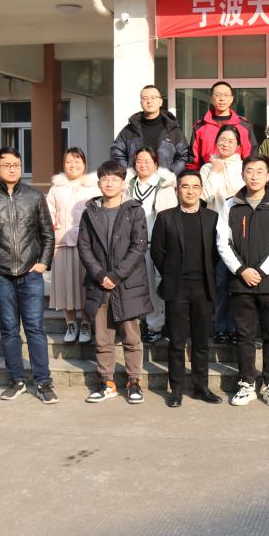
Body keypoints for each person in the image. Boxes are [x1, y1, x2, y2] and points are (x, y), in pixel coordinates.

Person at [0, 147, 57, 403]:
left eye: (16, 165)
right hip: (1, 275)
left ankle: (44, 383)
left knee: (35, 329)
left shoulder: (34, 196)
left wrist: (42, 263)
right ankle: (16, 380)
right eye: (7, 165)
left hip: (31, 274)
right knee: (9, 330)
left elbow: (48, 234)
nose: (13, 169)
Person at [217, 155, 269, 407]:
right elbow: (223, 242)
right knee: (244, 335)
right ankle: (246, 383)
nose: (254, 176)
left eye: (260, 171)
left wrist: (260, 270)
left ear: (268, 175)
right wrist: (241, 270)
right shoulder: (230, 205)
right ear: (242, 174)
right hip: (240, 281)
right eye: (249, 171)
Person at [78, 160, 152, 405]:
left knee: (132, 337)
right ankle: (106, 383)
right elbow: (84, 247)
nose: (109, 183)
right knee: (103, 339)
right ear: (98, 182)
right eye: (105, 178)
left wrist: (117, 275)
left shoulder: (134, 210)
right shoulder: (90, 212)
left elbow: (139, 246)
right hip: (99, 284)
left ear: (123, 183)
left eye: (114, 178)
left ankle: (134, 382)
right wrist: (101, 275)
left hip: (127, 283)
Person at [150, 170, 222, 407]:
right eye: (185, 186)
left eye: (195, 186)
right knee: (177, 342)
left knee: (201, 342)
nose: (190, 191)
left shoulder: (212, 217)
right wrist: (171, 274)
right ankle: (176, 389)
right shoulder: (165, 217)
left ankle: (201, 387)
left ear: (201, 190)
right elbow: (157, 251)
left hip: (204, 288)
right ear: (177, 190)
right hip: (177, 288)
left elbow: (217, 252)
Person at [46, 147, 99, 344]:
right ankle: (70, 323)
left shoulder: (93, 187)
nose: (73, 165)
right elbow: (48, 214)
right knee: (64, 286)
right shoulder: (56, 188)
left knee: (84, 286)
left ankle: (85, 323)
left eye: (77, 161)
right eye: (69, 161)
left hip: (86, 245)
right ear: (63, 164)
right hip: (61, 243)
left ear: (85, 164)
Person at [200, 125, 245, 344]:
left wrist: (225, 172)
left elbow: (239, 193)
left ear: (238, 145)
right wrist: (216, 171)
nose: (225, 144)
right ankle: (220, 326)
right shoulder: (207, 168)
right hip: (214, 228)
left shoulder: (244, 167)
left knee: (237, 280)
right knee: (218, 281)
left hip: (239, 229)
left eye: (231, 141)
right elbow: (206, 195)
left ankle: (237, 327)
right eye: (222, 139)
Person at [126, 146, 177, 344]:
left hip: (153, 245)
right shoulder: (127, 185)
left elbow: (170, 218)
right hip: (131, 245)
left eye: (148, 161)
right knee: (132, 288)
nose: (143, 164)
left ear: (156, 164)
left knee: (154, 287)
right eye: (139, 161)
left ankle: (155, 325)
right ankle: (134, 326)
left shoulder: (164, 186)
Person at [111, 85, 189, 174]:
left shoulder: (173, 130)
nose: (149, 101)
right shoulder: (129, 130)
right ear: (141, 103)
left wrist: (169, 175)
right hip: (136, 180)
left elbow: (183, 156)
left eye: (153, 97)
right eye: (145, 98)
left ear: (161, 102)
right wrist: (128, 173)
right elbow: (116, 152)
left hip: (164, 181)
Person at [187, 81, 259, 171]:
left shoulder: (244, 126)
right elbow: (194, 160)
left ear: (231, 99)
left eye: (226, 95)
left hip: (236, 176)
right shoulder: (200, 127)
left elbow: (251, 158)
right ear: (211, 99)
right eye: (217, 95)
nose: (221, 99)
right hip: (208, 174)